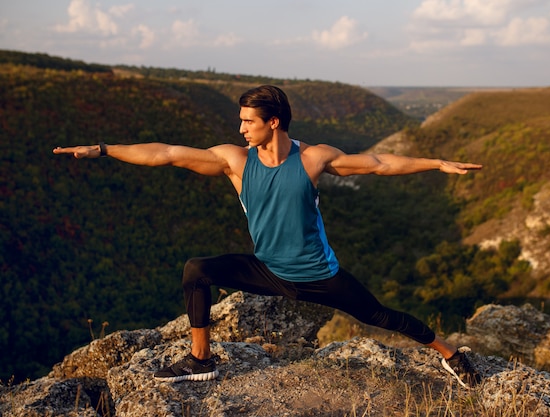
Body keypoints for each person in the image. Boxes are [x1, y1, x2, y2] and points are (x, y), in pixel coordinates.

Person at [54, 85, 483, 388]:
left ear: (273, 122)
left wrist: (435, 163)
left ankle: (449, 354)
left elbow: (379, 163)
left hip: (319, 274)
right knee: (197, 270)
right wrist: (104, 150)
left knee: (380, 316)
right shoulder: (235, 161)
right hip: (267, 271)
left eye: (248, 122)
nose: (241, 129)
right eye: (240, 121)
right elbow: (166, 154)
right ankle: (201, 359)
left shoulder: (313, 159)